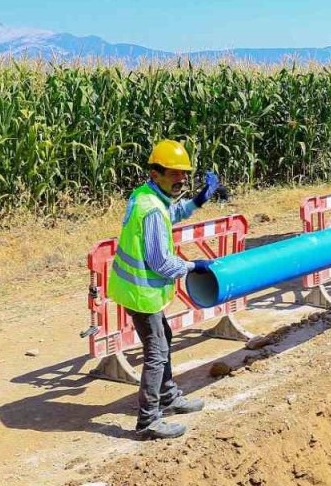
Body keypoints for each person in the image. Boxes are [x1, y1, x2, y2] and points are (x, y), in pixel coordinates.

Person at [109, 139, 227, 440]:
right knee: (157, 352)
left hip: (138, 289)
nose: (182, 179)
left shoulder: (147, 195)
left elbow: (171, 214)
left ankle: (168, 396)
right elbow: (160, 262)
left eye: (184, 173)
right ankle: (148, 420)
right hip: (141, 293)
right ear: (156, 173)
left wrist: (200, 199)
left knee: (165, 338)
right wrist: (194, 266)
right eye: (174, 173)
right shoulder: (150, 209)